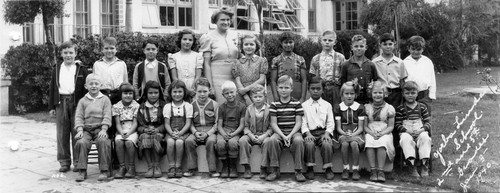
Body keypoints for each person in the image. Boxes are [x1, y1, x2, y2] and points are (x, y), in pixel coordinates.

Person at [49, 41, 89, 173]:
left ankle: (78, 162)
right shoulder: (56, 69)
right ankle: (64, 162)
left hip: (77, 102)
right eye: (65, 52)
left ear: (75, 53)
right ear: (61, 54)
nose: (68, 55)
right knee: (62, 134)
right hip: (61, 101)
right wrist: (52, 106)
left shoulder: (80, 69)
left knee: (77, 132)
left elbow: (85, 89)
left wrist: (85, 105)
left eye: (71, 52)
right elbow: (52, 88)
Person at [262, 75, 306, 182]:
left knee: (299, 140)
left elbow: (298, 123)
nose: (283, 90)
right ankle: (275, 170)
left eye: (286, 88)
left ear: (291, 89)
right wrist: (283, 136)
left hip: (293, 131)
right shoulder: (274, 104)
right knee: (272, 140)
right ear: (277, 88)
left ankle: (298, 170)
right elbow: (273, 124)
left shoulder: (296, 103)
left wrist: (290, 135)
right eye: (281, 87)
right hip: (279, 131)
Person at [73, 74, 112, 182]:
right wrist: (80, 130)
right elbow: (79, 117)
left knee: (103, 141)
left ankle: (104, 170)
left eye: (96, 84)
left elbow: (107, 115)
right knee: (81, 142)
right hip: (86, 129)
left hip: (100, 128)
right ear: (86, 86)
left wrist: (104, 129)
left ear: (101, 85)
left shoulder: (105, 99)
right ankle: (82, 170)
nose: (94, 86)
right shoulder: (83, 101)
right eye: (91, 84)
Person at [199, 7, 239, 104]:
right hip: (217, 77)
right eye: (222, 19)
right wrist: (210, 86)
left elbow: (239, 57)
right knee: (220, 107)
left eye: (228, 20)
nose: (226, 22)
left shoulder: (235, 35)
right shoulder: (208, 37)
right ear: (215, 21)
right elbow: (207, 64)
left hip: (234, 77)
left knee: (235, 107)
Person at [301, 76, 336, 180]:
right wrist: (307, 134)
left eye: (318, 88)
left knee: (327, 143)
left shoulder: (327, 105)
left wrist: (327, 133)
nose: (315, 91)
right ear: (308, 89)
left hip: (323, 132)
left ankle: (328, 168)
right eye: (313, 89)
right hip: (310, 132)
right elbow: (303, 122)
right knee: (309, 143)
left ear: (323, 89)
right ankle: (310, 168)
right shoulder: (304, 105)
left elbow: (330, 122)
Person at [395, 81, 432, 178]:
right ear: (403, 94)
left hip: (420, 130)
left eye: (413, 93)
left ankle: (424, 165)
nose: (410, 95)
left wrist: (421, 130)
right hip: (406, 131)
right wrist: (406, 131)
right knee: (405, 139)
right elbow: (398, 124)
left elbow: (428, 123)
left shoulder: (422, 107)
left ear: (417, 93)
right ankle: (412, 165)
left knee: (425, 138)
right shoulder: (400, 108)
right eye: (407, 93)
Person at [184, 78, 219, 177]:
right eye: (199, 91)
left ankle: (212, 170)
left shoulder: (215, 105)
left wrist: (208, 133)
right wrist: (195, 132)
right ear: (195, 91)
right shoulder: (191, 105)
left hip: (210, 131)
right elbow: (189, 123)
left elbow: (217, 124)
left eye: (205, 91)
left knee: (211, 142)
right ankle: (191, 168)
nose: (202, 94)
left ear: (209, 91)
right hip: (196, 131)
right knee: (189, 141)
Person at [238, 85, 273, 179]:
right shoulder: (249, 109)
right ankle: (246, 167)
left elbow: (271, 127)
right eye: (255, 97)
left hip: (264, 135)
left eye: (260, 97)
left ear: (265, 97)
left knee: (268, 142)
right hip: (251, 134)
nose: (258, 99)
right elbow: (246, 126)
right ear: (251, 98)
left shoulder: (269, 109)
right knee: (242, 140)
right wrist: (251, 136)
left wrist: (264, 136)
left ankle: (263, 167)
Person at [364, 81, 396, 182]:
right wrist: (372, 133)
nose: (377, 95)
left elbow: (391, 126)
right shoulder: (367, 107)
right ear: (370, 94)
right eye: (375, 92)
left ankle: (381, 171)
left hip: (385, 131)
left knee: (382, 142)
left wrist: (382, 133)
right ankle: (373, 170)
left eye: (380, 93)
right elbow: (364, 126)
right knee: (369, 141)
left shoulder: (389, 108)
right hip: (370, 131)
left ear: (384, 94)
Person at [334, 81, 366, 181]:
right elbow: (338, 128)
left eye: (352, 93)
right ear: (342, 95)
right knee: (344, 144)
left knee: (354, 144)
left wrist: (352, 134)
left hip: (356, 132)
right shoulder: (338, 107)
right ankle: (346, 169)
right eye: (346, 94)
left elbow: (361, 127)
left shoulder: (359, 107)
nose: (349, 96)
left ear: (355, 94)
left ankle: (355, 169)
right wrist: (345, 134)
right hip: (343, 132)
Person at [136, 80, 167, 178]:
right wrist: (144, 130)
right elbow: (138, 125)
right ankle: (150, 166)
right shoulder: (141, 107)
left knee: (155, 137)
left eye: (156, 93)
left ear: (159, 93)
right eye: (150, 93)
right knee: (145, 137)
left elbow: (166, 123)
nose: (153, 95)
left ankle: (157, 165)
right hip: (146, 130)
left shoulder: (164, 106)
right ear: (146, 93)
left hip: (159, 131)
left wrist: (158, 129)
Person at [216, 81, 246, 178]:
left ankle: (233, 167)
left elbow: (242, 125)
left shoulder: (242, 106)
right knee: (220, 143)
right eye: (227, 93)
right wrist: (223, 134)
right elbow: (219, 125)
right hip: (224, 131)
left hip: (236, 131)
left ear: (236, 92)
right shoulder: (221, 107)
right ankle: (225, 166)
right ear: (223, 95)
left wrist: (233, 134)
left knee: (233, 143)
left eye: (232, 92)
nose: (230, 95)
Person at [164, 80, 193, 178]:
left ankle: (178, 166)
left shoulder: (188, 106)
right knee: (171, 142)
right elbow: (167, 124)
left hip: (183, 132)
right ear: (170, 93)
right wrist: (172, 133)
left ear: (184, 92)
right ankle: (171, 166)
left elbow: (188, 123)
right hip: (171, 132)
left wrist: (180, 133)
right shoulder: (167, 106)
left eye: (180, 91)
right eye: (174, 92)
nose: (177, 94)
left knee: (180, 142)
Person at [310, 30, 346, 106]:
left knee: (336, 111)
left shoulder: (340, 57)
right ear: (321, 41)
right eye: (325, 40)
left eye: (330, 40)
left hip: (335, 89)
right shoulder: (315, 58)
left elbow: (343, 76)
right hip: (321, 89)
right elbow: (312, 76)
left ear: (335, 42)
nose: (327, 42)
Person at [372, 33, 408, 109]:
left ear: (394, 45)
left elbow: (402, 81)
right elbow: (373, 79)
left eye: (390, 44)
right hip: (381, 93)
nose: (388, 47)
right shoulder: (375, 62)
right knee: (382, 114)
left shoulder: (400, 62)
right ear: (380, 45)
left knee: (396, 115)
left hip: (396, 94)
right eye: (385, 44)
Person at [112, 82, 140, 179]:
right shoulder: (116, 106)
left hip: (132, 130)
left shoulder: (136, 105)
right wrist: (121, 132)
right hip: (121, 129)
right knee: (118, 141)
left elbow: (136, 123)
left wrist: (128, 133)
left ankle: (131, 167)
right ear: (121, 94)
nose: (128, 96)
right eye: (125, 93)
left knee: (129, 142)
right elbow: (117, 123)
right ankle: (122, 167)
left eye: (130, 93)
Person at [340, 34, 379, 104]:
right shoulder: (345, 65)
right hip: (351, 100)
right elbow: (342, 84)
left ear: (366, 47)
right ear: (351, 47)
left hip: (367, 101)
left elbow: (375, 81)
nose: (359, 48)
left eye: (361, 46)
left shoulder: (371, 65)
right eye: (356, 46)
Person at [403, 35, 436, 115]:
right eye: (413, 49)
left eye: (418, 49)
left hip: (424, 94)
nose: (416, 52)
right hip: (410, 94)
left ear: (423, 49)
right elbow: (402, 79)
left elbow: (432, 78)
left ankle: (426, 127)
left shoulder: (427, 61)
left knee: (425, 116)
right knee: (411, 116)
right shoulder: (404, 62)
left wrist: (431, 94)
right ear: (408, 48)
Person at [232, 34, 268, 105]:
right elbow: (238, 81)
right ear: (242, 46)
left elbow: (262, 79)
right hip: (243, 96)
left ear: (256, 46)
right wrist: (246, 97)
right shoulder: (237, 63)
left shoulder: (261, 61)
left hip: (258, 94)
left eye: (251, 44)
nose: (249, 47)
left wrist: (246, 89)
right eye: (246, 44)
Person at [271, 32, 307, 103]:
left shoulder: (300, 59)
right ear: (281, 43)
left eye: (290, 42)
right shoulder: (276, 60)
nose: (288, 45)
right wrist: (276, 97)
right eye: (285, 42)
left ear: (294, 43)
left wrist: (303, 98)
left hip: (297, 93)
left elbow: (304, 80)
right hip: (282, 94)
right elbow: (273, 81)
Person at [92, 37, 128, 104]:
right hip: (101, 95)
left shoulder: (121, 64)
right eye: (106, 48)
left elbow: (125, 82)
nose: (109, 51)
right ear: (102, 50)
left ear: (116, 49)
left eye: (112, 48)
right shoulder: (97, 64)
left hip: (118, 95)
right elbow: (94, 82)